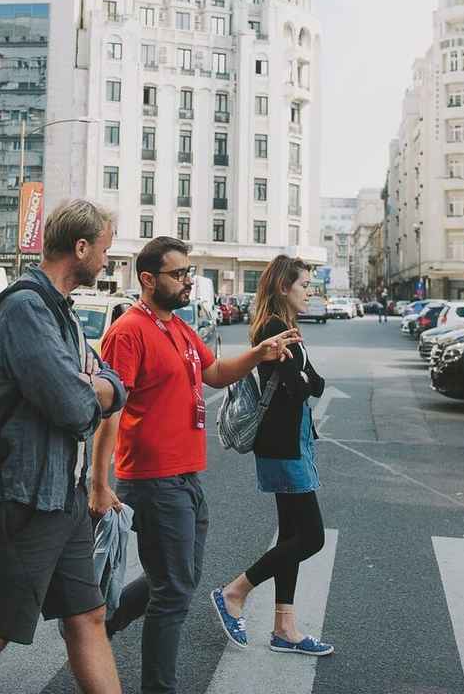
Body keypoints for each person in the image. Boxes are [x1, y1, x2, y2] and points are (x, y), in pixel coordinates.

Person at [91, 237, 300, 694]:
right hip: (152, 478)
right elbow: (110, 407)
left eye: (189, 272)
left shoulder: (179, 328)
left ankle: (100, 627)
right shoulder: (129, 330)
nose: (188, 281)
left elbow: (215, 374)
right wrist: (98, 481)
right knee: (173, 594)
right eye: (178, 273)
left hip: (187, 476)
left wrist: (259, 354)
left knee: (176, 578)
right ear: (148, 280)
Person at [0, 200, 127, 694]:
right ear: (80, 248)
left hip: (64, 496)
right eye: (104, 250)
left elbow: (114, 385)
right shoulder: (26, 309)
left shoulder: (63, 313)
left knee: (89, 615)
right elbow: (74, 408)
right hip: (24, 498)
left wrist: (96, 385)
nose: (106, 261)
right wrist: (90, 388)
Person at [211, 256, 333, 656]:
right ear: (284, 287)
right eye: (304, 285)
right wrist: (301, 378)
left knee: (292, 535)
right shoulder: (273, 329)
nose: (309, 291)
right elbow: (299, 388)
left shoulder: (287, 330)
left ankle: (285, 629)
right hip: (282, 444)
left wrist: (301, 377)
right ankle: (234, 591)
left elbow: (313, 382)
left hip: (292, 440)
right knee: (311, 537)